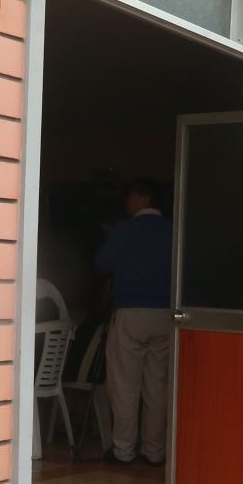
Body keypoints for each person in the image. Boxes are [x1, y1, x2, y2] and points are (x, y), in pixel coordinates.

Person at [93, 179, 173, 466]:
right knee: (157, 386)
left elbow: (102, 264)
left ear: (142, 197)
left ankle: (124, 451)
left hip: (129, 312)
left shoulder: (126, 229)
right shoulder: (172, 230)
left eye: (130, 197)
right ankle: (155, 452)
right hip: (166, 314)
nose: (127, 203)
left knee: (125, 385)